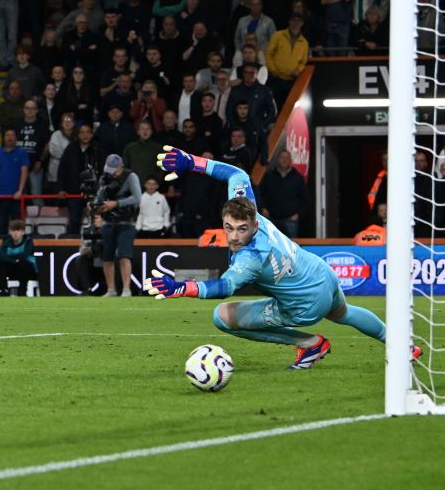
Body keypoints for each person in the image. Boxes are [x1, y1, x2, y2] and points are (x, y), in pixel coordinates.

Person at [148, 145, 423, 369]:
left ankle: (310, 344)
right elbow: (236, 174)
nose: (233, 237)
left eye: (242, 230)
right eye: (229, 228)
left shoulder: (250, 258)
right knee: (345, 313)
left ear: (255, 226)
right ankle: (403, 347)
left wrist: (182, 287)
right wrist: (192, 162)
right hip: (321, 274)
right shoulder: (247, 206)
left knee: (222, 317)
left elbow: (224, 288)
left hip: (304, 307)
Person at [95, 154, 142, 297]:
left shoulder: (131, 176)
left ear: (121, 166)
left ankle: (126, 289)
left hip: (126, 222)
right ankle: (111, 289)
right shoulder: (104, 178)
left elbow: (137, 197)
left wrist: (116, 203)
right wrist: (97, 205)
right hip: (108, 222)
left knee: (124, 256)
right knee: (107, 257)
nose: (112, 173)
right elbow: (100, 195)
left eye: (114, 170)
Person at [0, 128, 30, 235]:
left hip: (17, 197)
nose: (10, 137)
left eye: (12, 135)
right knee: (0, 226)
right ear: (3, 138)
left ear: (16, 138)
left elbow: (24, 171)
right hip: (0, 197)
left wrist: (20, 190)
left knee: (18, 227)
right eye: (7, 135)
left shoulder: (21, 153)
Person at [259, 149, 308, 238]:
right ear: (277, 159)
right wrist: (262, 208)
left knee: (292, 249)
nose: (284, 160)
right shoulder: (269, 176)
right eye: (282, 157)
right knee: (272, 247)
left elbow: (305, 199)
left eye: (287, 158)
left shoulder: (297, 178)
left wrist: (298, 214)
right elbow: (259, 194)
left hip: (291, 221)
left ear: (290, 160)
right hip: (271, 219)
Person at [0, 219, 38, 296]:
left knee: (24, 263)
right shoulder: (7, 242)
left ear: (23, 232)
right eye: (13, 230)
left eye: (18, 230)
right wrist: (14, 260)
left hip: (29, 271)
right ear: (10, 232)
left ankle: (22, 291)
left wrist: (9, 257)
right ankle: (3, 291)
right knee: (1, 264)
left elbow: (24, 255)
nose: (16, 233)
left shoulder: (28, 241)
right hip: (13, 269)